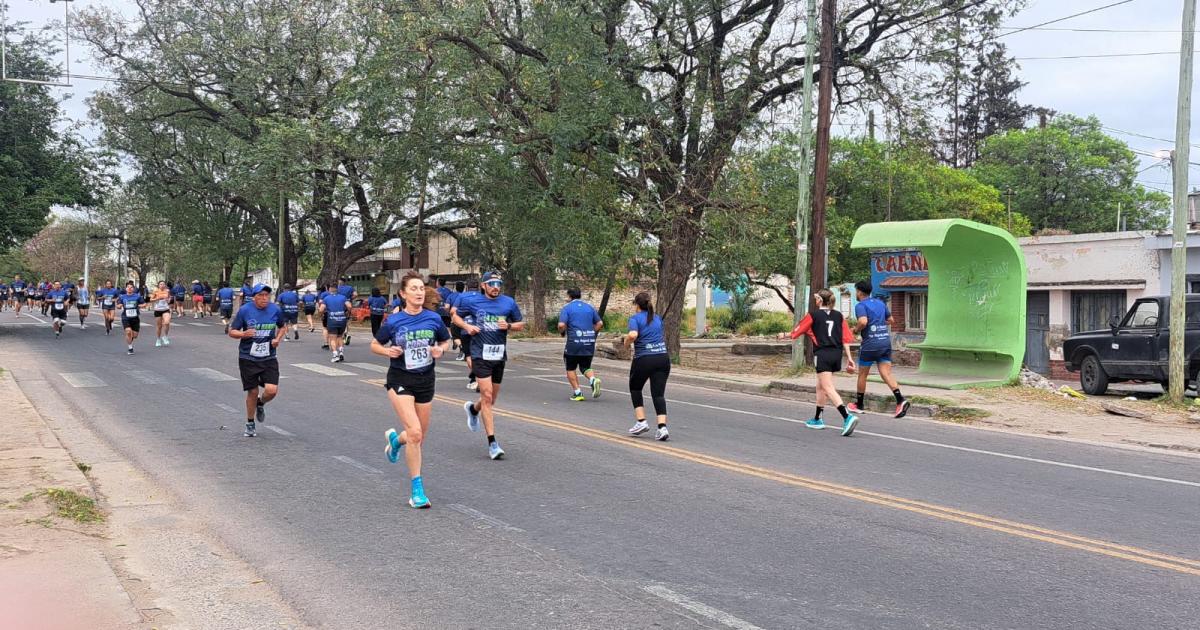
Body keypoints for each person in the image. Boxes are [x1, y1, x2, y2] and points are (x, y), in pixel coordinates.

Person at [376, 271, 452, 509]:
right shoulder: (394, 321)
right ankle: (416, 491)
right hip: (400, 379)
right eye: (414, 289)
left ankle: (396, 442)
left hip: (426, 380)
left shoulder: (434, 318)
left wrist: (441, 349)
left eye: (421, 288)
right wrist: (388, 351)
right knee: (416, 433)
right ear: (403, 294)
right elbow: (375, 344)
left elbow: (445, 340)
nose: (419, 292)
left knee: (417, 438)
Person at [452, 270, 524, 460]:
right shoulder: (472, 301)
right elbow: (455, 317)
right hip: (479, 354)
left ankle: (473, 409)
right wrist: (467, 327)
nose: (495, 287)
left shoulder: (508, 302)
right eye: (492, 284)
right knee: (487, 395)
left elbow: (520, 324)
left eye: (498, 284)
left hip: (499, 355)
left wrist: (508, 326)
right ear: (484, 285)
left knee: (490, 401)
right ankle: (493, 443)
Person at [787, 288, 859, 436]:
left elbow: (797, 331)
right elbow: (845, 339)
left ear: (820, 300)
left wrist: (785, 335)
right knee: (820, 386)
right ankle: (817, 418)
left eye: (816, 298)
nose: (815, 300)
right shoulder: (839, 316)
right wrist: (850, 358)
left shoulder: (813, 315)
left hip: (823, 353)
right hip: (836, 354)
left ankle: (847, 416)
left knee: (827, 387)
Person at [228, 284, 287, 438]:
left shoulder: (275, 310)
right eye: (260, 295)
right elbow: (232, 332)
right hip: (248, 357)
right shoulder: (245, 310)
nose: (264, 298)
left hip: (269, 357)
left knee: (272, 390)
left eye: (267, 295)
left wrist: (277, 339)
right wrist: (244, 334)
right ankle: (250, 423)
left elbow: (282, 327)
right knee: (253, 391)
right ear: (254, 297)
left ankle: (260, 403)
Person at [849, 281, 910, 419]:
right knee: (886, 373)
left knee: (863, 375)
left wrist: (855, 330)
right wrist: (878, 324)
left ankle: (859, 404)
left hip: (870, 344)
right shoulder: (880, 303)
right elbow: (891, 320)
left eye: (856, 291)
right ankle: (900, 400)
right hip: (884, 343)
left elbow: (863, 322)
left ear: (859, 291)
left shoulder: (860, 306)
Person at [623, 292, 671, 441]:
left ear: (636, 305)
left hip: (644, 358)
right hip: (663, 358)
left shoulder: (635, 318)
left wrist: (626, 343)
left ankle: (641, 421)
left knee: (635, 388)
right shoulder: (657, 318)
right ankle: (662, 428)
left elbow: (632, 335)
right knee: (658, 394)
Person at [557, 288, 603, 401]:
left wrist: (562, 331)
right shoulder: (589, 307)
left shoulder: (567, 308)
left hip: (574, 344)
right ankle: (593, 379)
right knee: (585, 366)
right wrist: (592, 333)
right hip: (588, 342)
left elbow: (561, 325)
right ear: (580, 295)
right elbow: (600, 323)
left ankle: (578, 393)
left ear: (569, 296)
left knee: (570, 368)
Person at [320, 286, 351, 362]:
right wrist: (348, 313)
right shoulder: (343, 297)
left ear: (330, 290)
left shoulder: (326, 298)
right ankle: (341, 352)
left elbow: (321, 309)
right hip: (342, 320)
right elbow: (349, 306)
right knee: (340, 337)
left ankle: (335, 355)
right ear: (337, 290)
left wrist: (322, 315)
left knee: (333, 338)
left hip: (332, 320)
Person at [116, 281, 146, 355]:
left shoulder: (137, 296)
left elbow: (144, 304)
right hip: (126, 317)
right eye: (128, 287)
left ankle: (129, 339)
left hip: (135, 318)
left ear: (133, 289)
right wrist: (119, 306)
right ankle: (130, 348)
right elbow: (118, 305)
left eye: (131, 287)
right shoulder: (122, 297)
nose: (129, 288)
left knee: (135, 336)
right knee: (129, 332)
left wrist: (140, 306)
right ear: (126, 289)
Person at [149, 281, 173, 347]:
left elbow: (169, 298)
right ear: (158, 285)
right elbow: (149, 299)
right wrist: (158, 298)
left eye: (163, 284)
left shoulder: (167, 291)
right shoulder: (155, 291)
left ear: (165, 285)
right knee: (159, 326)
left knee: (167, 322)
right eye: (161, 284)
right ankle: (158, 339)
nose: (162, 285)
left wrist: (169, 300)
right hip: (158, 310)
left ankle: (165, 336)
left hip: (165, 309)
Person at [336, 279, 356, 346]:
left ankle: (341, 336)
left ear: (340, 282)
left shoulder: (337, 288)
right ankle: (346, 334)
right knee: (346, 321)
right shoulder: (350, 287)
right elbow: (356, 294)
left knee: (338, 320)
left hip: (339, 306)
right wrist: (350, 299)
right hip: (348, 306)